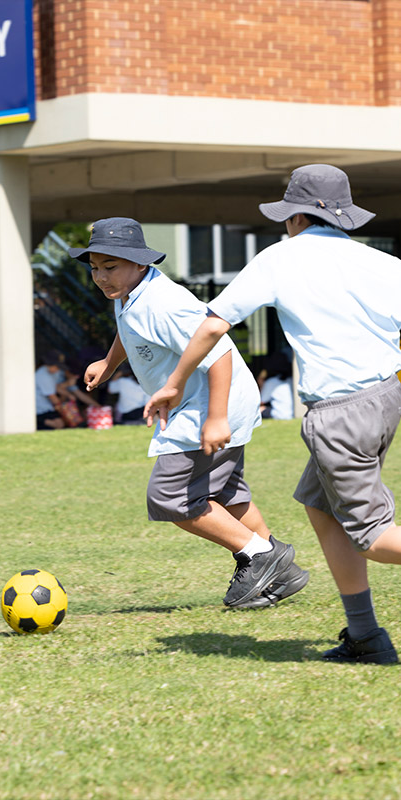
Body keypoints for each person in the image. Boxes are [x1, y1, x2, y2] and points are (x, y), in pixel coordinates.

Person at [144, 164, 401, 663]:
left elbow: (214, 326)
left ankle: (368, 636)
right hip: (384, 399)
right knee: (320, 506)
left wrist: (175, 381)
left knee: (369, 536)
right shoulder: (381, 262)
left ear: (295, 218)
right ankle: (366, 635)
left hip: (339, 412)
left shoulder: (280, 259)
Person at [69, 217, 308, 609]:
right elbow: (130, 329)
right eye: (95, 267)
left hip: (213, 403)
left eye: (110, 267)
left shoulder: (164, 304)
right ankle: (277, 570)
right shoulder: (129, 293)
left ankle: (259, 556)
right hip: (213, 402)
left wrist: (215, 418)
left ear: (139, 263)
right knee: (224, 492)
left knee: (171, 497)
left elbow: (220, 354)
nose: (100, 277)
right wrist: (109, 363)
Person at [35, 349, 66, 430]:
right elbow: (53, 397)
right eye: (55, 366)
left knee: (59, 423)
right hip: (40, 408)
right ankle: (37, 421)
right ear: (48, 364)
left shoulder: (55, 372)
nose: (57, 369)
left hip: (48, 406)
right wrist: (64, 410)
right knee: (58, 424)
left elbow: (56, 387)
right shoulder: (42, 375)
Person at [259, 350, 294, 420]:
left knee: (260, 409)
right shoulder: (291, 380)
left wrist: (260, 381)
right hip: (293, 414)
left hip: (280, 414)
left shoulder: (271, 382)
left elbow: (261, 402)